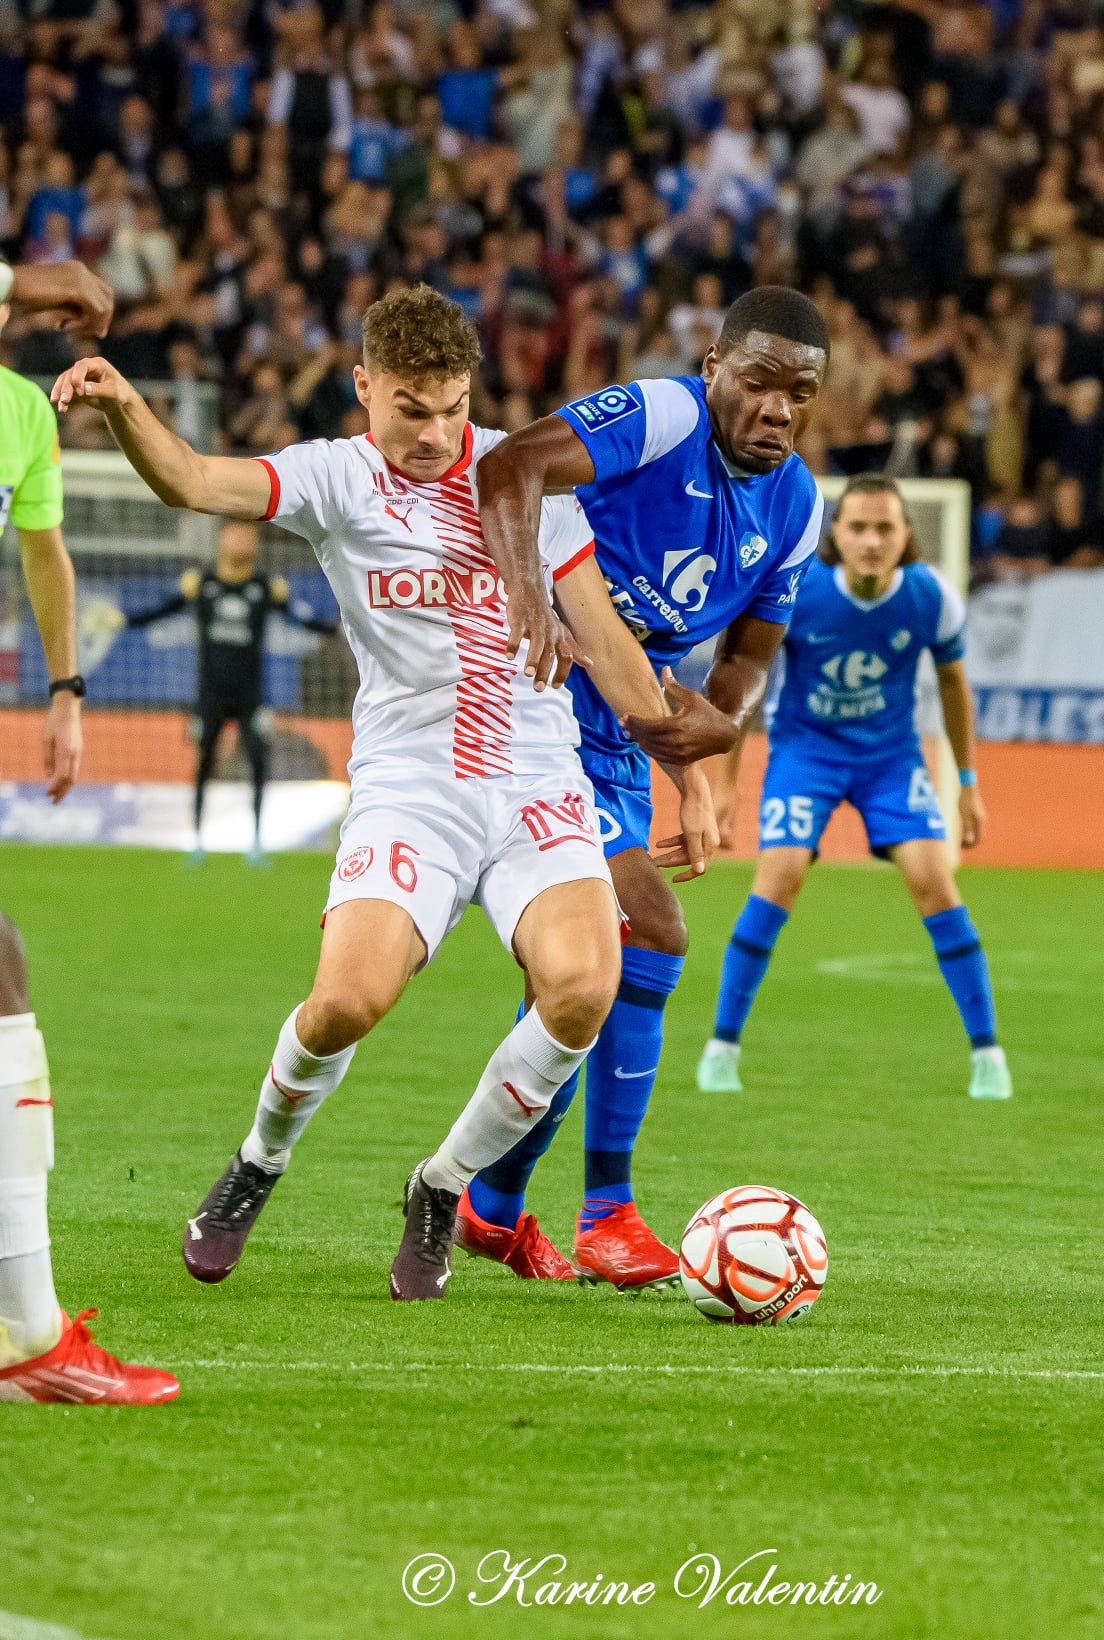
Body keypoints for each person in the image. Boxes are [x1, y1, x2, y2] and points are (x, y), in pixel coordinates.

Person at [50, 285, 716, 1302]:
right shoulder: (334, 477)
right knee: (344, 1003)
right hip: (412, 783)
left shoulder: (523, 480)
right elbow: (190, 481)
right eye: (410, 406)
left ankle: (440, 1185)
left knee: (583, 987)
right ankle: (257, 1163)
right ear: (364, 387)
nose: (435, 430)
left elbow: (615, 653)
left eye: (451, 405)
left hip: (537, 779)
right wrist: (124, 403)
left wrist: (689, 768)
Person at [462, 286, 827, 1289]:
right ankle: (597, 1211)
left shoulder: (795, 506)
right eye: (756, 381)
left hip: (616, 739)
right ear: (713, 367)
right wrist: (529, 594)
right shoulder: (661, 418)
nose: (775, 408)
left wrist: (722, 723)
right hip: (531, 708)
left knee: (591, 972)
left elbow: (750, 647)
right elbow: (511, 465)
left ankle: (493, 1206)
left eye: (798, 392)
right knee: (642, 935)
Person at [0, 256, 180, 1403]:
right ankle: (30, 1335)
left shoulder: (22, 414)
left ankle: (30, 1328)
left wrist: (66, 686)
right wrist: (40, 272)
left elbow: (44, 549)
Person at [697, 475, 1013, 1104]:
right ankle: (721, 1048)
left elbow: (954, 687)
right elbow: (742, 681)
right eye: (859, 527)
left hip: (890, 761)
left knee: (936, 884)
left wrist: (968, 784)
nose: (871, 540)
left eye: (885, 528)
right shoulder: (799, 593)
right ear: (835, 536)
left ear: (906, 537)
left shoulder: (931, 599)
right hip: (805, 755)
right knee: (777, 878)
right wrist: (725, 783)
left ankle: (988, 1056)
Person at [116, 520, 339, 861]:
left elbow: (300, 619)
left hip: (252, 694)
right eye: (235, 533)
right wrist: (124, 621)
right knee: (205, 761)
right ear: (220, 540)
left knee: (258, 762)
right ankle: (198, 840)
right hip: (210, 693)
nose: (242, 539)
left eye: (248, 534)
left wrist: (337, 628)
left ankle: (256, 843)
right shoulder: (200, 584)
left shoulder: (266, 587)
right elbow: (162, 611)